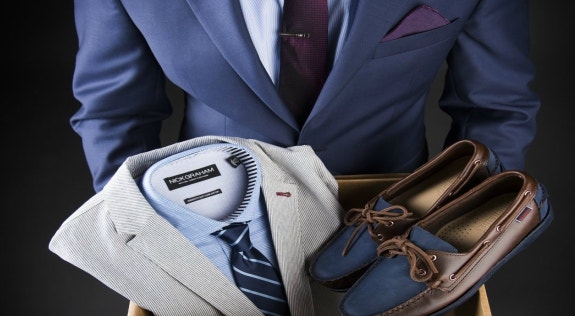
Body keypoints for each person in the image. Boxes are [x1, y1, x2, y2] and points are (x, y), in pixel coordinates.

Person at [70, 0, 539, 193]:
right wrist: (140, 237)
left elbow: (495, 108)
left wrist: (463, 225)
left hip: (394, 225)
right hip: (203, 221)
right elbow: (114, 111)